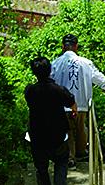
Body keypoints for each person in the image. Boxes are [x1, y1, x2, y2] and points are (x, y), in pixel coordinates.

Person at [51, 33, 105, 164]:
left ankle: (70, 157)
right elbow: (98, 78)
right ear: (76, 46)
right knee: (80, 129)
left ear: (63, 46)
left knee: (67, 131)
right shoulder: (86, 63)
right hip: (82, 104)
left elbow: (49, 81)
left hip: (62, 105)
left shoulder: (56, 63)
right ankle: (79, 153)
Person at [24, 56, 77, 185]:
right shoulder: (58, 90)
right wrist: (74, 113)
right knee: (61, 163)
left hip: (37, 136)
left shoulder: (30, 91)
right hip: (58, 135)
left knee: (41, 169)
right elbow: (72, 104)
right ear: (50, 70)